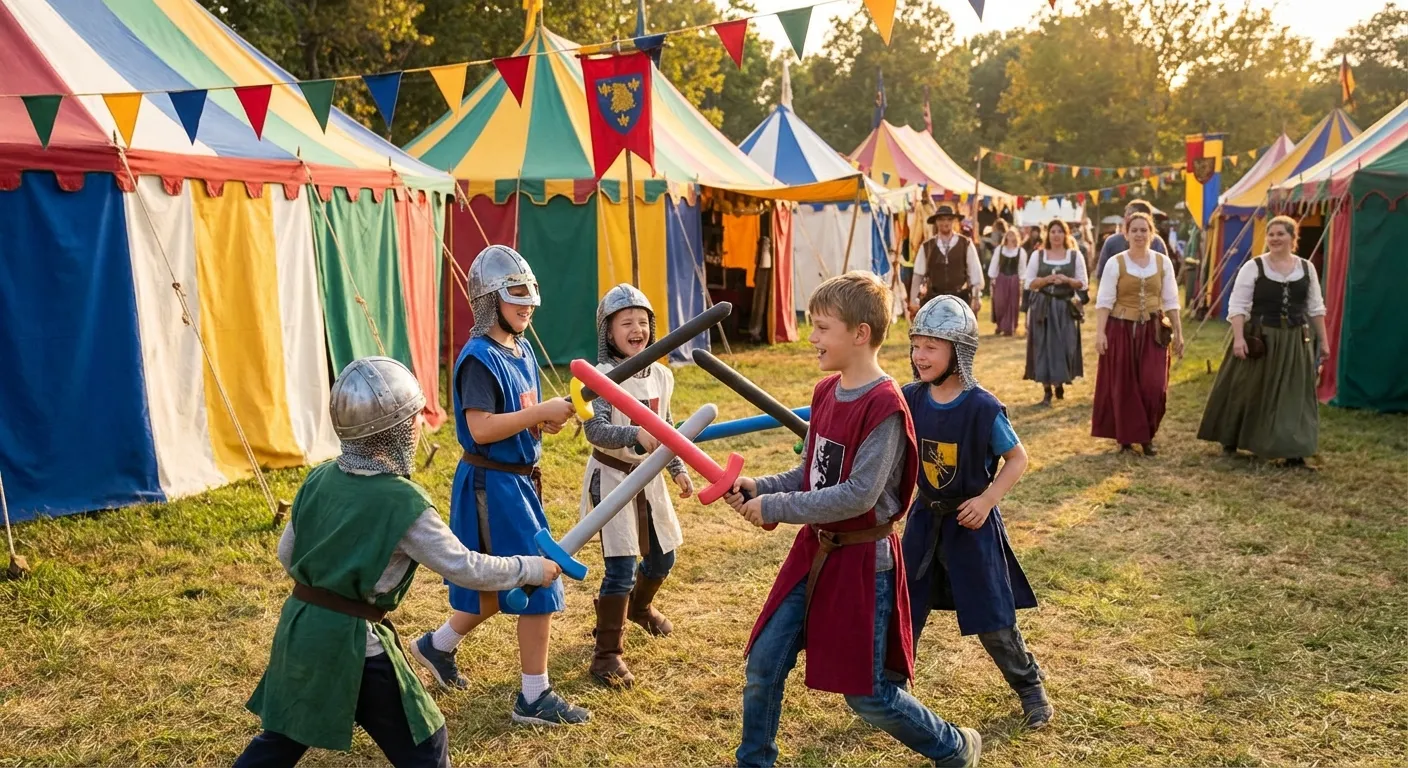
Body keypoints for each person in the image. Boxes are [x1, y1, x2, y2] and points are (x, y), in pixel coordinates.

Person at [236, 357, 560, 768]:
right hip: (356, 643)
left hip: (300, 628)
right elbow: (466, 567)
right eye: (413, 420)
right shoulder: (403, 503)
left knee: (281, 740)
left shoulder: (318, 478)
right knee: (426, 742)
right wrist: (530, 568)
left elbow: (287, 553)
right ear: (398, 429)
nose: (417, 427)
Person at [728, 272, 982, 767]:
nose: (812, 338)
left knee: (867, 696)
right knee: (763, 664)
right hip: (813, 553)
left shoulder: (884, 406)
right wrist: (763, 486)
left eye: (823, 328)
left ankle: (954, 746)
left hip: (864, 564)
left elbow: (856, 496)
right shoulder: (827, 392)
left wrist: (774, 509)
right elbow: (813, 471)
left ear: (860, 334)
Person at [410, 245, 589, 726]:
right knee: (537, 577)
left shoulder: (521, 348)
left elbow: (515, 417)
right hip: (492, 485)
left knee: (501, 582)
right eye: (516, 295)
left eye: (531, 295)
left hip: (517, 482)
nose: (527, 304)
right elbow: (484, 428)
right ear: (489, 298)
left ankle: (435, 646)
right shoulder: (479, 359)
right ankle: (534, 697)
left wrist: (538, 423)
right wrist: (538, 413)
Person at [901, 296, 1050, 730]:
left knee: (992, 615)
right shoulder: (911, 398)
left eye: (932, 346)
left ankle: (1030, 688)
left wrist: (987, 500)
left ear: (958, 351)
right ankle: (891, 686)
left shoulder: (982, 407)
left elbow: (1017, 458)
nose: (920, 355)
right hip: (925, 520)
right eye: (916, 345)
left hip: (972, 524)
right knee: (906, 604)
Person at [580, 284, 695, 687]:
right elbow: (595, 430)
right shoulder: (600, 378)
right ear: (607, 332)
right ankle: (606, 656)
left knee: (663, 557)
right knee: (622, 567)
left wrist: (677, 467)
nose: (636, 329)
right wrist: (632, 436)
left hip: (650, 479)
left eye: (642, 322)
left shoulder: (663, 375)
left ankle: (639, 609)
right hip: (612, 477)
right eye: (625, 322)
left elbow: (667, 427)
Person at [1196, 216, 1329, 467]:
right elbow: (1238, 305)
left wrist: (1324, 341)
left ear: (1293, 237)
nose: (1275, 239)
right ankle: (1232, 438)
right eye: (1271, 234)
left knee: (1293, 394)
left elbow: (1315, 308)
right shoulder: (1254, 267)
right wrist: (1238, 339)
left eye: (1281, 234)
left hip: (1294, 340)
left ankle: (1293, 449)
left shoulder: (1306, 268)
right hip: (1261, 338)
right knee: (1249, 390)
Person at [1092, 213, 1184, 455]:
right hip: (1121, 328)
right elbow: (1104, 302)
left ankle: (1147, 433)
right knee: (1124, 385)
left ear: (1151, 233)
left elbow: (1171, 300)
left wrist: (1179, 333)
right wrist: (1100, 333)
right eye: (1135, 230)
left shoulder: (1163, 262)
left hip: (1153, 331)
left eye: (1144, 230)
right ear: (1126, 233)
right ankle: (1128, 438)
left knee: (1154, 385)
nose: (1140, 234)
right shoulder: (1116, 262)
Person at [1023, 220, 1089, 405]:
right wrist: (1046, 280)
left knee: (1064, 346)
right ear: (1048, 234)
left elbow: (1083, 283)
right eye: (1053, 231)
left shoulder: (1075, 255)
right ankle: (1047, 390)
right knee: (1042, 346)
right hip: (1042, 306)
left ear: (1066, 234)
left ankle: (1059, 382)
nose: (1056, 235)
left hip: (1064, 307)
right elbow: (1029, 283)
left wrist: (1067, 280)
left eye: (1060, 231)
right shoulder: (1038, 255)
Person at [910, 203, 984, 317]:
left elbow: (975, 274)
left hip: (960, 300)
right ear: (936, 222)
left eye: (949, 219)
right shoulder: (927, 246)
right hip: (934, 300)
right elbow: (917, 275)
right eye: (941, 220)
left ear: (953, 221)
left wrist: (976, 297)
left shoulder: (965, 244)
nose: (945, 223)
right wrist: (913, 300)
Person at [1095, 200, 1168, 280]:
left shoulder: (1157, 243)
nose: (1125, 218)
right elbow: (1102, 275)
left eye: (1129, 214)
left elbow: (1166, 275)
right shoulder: (1112, 242)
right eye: (1125, 215)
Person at [987, 228, 1027, 337]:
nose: (1010, 237)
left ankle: (1010, 327)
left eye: (1013, 235)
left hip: (1014, 279)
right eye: (1009, 234)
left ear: (1016, 237)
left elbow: (1022, 268)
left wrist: (1022, 280)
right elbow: (995, 264)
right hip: (1001, 278)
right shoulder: (1000, 249)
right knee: (1000, 303)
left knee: (1012, 303)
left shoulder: (1020, 251)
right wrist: (993, 277)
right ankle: (1000, 325)